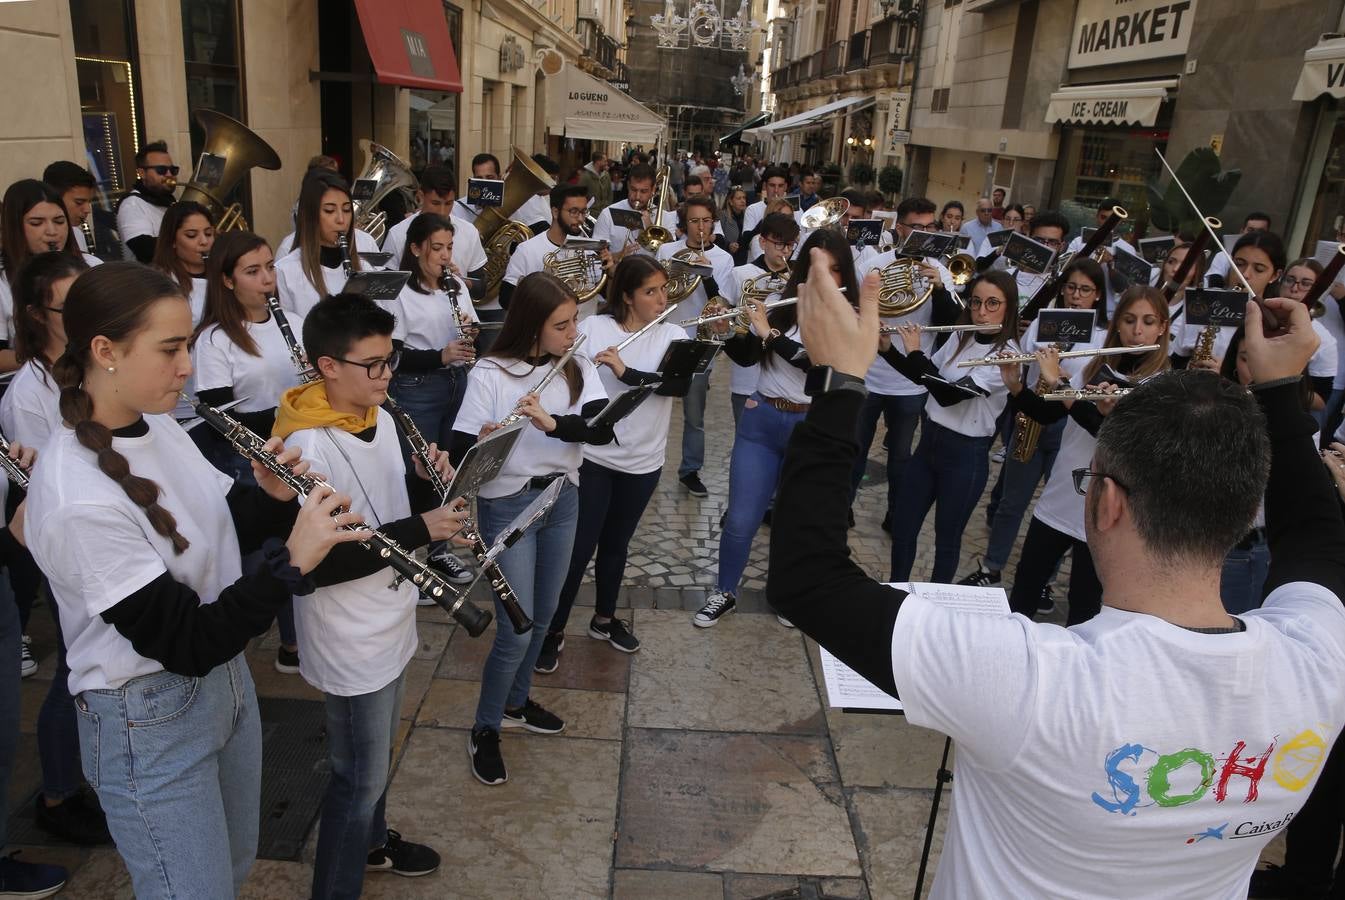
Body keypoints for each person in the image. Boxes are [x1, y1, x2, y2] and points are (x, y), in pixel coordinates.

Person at [772, 252, 1345, 899]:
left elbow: (808, 581)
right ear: (1244, 512)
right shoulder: (1318, 662)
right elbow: (1320, 540)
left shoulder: (1036, 684)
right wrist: (1279, 392)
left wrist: (839, 380)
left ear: (1105, 502)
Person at [25, 261, 364, 897]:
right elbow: (184, 640)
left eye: (187, 345)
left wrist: (268, 496)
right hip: (147, 715)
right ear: (105, 351)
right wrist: (290, 561)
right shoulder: (77, 496)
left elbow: (213, 528)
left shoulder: (155, 424)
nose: (188, 367)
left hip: (224, 683)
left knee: (229, 873)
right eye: (171, 349)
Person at [275, 292, 459, 898]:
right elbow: (318, 563)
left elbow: (385, 500)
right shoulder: (304, 447)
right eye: (373, 364)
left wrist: (428, 480)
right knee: (355, 777)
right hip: (348, 631)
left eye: (391, 360)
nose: (386, 375)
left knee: (377, 759)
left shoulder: (375, 412)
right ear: (328, 367)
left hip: (391, 612)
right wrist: (421, 530)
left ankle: (374, 843)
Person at [452, 272, 614, 785]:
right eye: (562, 325)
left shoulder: (576, 368)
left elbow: (601, 428)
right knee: (516, 628)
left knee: (543, 617)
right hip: (509, 505)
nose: (573, 334)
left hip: (563, 497)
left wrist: (552, 425)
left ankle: (516, 703)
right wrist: (484, 439)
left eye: (574, 323)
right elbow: (458, 451)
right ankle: (485, 726)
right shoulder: (491, 374)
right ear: (532, 325)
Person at [0, 251, 113, 846]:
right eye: (71, 308)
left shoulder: (79, 365)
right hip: (62, 541)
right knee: (76, 665)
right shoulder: (29, 393)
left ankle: (83, 776)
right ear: (35, 314)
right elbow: (40, 485)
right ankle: (58, 792)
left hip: (100, 530)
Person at [694, 230, 858, 627]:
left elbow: (816, 365)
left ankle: (787, 595)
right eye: (819, 268)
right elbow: (749, 358)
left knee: (793, 520)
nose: (827, 278)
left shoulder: (849, 318)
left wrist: (769, 332)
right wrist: (729, 330)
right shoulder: (781, 305)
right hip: (762, 419)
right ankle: (724, 592)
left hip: (810, 426)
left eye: (835, 269)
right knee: (740, 519)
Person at [541, 256, 689, 670]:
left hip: (644, 460)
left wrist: (626, 372)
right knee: (579, 547)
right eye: (650, 291)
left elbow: (676, 386)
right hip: (594, 456)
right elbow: (564, 377)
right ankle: (552, 630)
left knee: (617, 545)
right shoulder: (593, 329)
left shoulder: (673, 334)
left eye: (663, 289)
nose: (662, 298)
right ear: (627, 296)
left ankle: (604, 619)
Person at [997, 285, 1171, 624]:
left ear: (1162, 328)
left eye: (1148, 322)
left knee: (1085, 602)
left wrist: (1060, 385)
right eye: (1130, 320)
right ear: (1117, 325)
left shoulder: (1160, 384)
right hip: (1061, 497)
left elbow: (1109, 435)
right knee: (1025, 585)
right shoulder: (1094, 366)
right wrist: (1015, 385)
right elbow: (1049, 415)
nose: (1138, 331)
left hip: (1107, 511)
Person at [191, 231, 308, 674]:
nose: (267, 280)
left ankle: (297, 639)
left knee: (300, 538)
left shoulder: (294, 323)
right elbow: (221, 420)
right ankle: (266, 637)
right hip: (249, 460)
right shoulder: (216, 340)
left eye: (269, 268)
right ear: (226, 280)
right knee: (266, 549)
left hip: (294, 449)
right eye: (253, 271)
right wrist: (286, 420)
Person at [960, 257, 1107, 591]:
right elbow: (1022, 366)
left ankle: (1046, 580)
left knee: (1059, 507)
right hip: (1032, 416)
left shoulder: (1101, 336)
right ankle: (992, 566)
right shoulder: (1044, 321)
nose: (1076, 296)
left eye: (1085, 290)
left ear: (1097, 295)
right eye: (1070, 287)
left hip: (1069, 427)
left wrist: (1067, 380)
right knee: (1012, 501)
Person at [884, 270, 1020, 583]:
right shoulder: (962, 335)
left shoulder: (1007, 356)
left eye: (992, 304)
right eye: (975, 302)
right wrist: (887, 349)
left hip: (965, 456)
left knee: (947, 539)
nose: (982, 312)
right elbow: (924, 378)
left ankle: (934, 609)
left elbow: (947, 394)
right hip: (929, 442)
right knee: (903, 527)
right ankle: (895, 593)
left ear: (1008, 308)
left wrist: (916, 350)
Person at [852, 197, 958, 532]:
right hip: (868, 372)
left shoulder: (939, 270)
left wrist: (938, 288)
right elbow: (855, 312)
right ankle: (843, 509)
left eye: (930, 227)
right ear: (900, 227)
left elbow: (949, 323)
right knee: (854, 450)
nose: (924, 233)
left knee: (900, 457)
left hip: (909, 380)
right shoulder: (873, 264)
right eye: (917, 226)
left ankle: (896, 514)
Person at [386, 213, 479, 586]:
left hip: (457, 384)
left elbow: (474, 337)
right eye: (436, 248)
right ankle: (407, 559)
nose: (444, 256)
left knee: (446, 472)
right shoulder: (400, 292)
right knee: (417, 473)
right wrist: (439, 355)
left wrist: (472, 334)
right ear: (415, 248)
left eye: (449, 248)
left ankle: (440, 554)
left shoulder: (455, 285)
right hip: (417, 388)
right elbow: (392, 356)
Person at [657, 197, 737, 494]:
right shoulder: (667, 250)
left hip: (700, 341)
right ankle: (645, 463)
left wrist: (706, 275)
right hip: (665, 336)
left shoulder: (723, 259)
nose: (700, 227)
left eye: (706, 221)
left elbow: (722, 304)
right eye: (694, 221)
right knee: (653, 404)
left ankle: (690, 470)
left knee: (694, 413)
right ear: (684, 224)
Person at [0, 180, 90, 372]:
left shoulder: (92, 265)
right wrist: (49, 358)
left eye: (59, 221)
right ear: (15, 226)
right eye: (36, 223)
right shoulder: (2, 281)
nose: (52, 232)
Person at [379, 165, 487, 294]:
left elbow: (481, 287)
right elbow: (385, 286)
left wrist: (461, 281)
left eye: (448, 203)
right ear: (420, 196)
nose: (442, 212)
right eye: (435, 203)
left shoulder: (469, 232)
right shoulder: (397, 233)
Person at [276, 171, 363, 317]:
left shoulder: (364, 268)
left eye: (347, 210)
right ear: (310, 215)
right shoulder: (285, 271)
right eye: (329, 211)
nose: (341, 220)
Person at [501, 184, 601, 310]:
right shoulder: (527, 250)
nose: (581, 218)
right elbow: (506, 299)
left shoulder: (589, 250)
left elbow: (607, 295)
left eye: (583, 212)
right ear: (555, 212)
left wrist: (611, 271)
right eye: (574, 212)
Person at [591, 164, 677, 261]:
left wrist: (651, 227)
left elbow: (670, 258)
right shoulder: (608, 214)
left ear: (653, 190)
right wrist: (618, 256)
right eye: (633, 189)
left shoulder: (666, 217)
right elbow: (596, 255)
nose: (637, 196)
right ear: (628, 186)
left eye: (644, 191)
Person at [151, 201, 215, 326]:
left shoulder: (226, 273)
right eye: (191, 235)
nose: (204, 241)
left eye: (208, 233)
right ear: (172, 241)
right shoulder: (161, 283)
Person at [116, 140, 178, 263]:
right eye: (161, 170)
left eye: (173, 170)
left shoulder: (171, 203)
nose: (169, 174)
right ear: (142, 173)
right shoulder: (132, 204)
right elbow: (145, 250)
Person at [42, 161, 99, 257]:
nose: (87, 210)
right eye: (79, 202)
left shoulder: (77, 234)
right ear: (55, 197)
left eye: (89, 202)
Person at [1206, 211, 1272, 288]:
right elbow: (1214, 284)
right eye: (1239, 264)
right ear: (1242, 231)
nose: (1254, 235)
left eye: (1259, 269)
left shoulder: (1271, 260)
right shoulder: (1224, 256)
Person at [455, 153, 502, 224]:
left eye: (489, 178)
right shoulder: (459, 208)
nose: (485, 182)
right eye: (479, 178)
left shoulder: (513, 208)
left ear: (499, 178)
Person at [578, 152, 612, 216]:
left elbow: (610, 194)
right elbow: (580, 194)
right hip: (590, 214)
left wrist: (608, 207)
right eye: (604, 161)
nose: (606, 163)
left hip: (604, 212)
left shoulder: (606, 175)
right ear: (598, 162)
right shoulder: (585, 177)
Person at [720, 187, 748, 264]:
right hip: (729, 256)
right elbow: (718, 237)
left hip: (745, 257)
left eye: (744, 198)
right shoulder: (723, 216)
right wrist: (728, 245)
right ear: (731, 202)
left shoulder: (748, 215)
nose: (743, 201)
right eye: (739, 198)